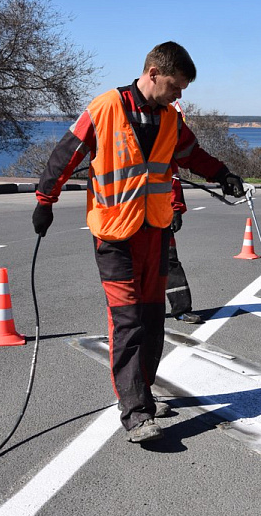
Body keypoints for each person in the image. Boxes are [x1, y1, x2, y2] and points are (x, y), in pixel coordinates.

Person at [32, 41, 244, 443]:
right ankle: (135, 414)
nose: (179, 95)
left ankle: (142, 392)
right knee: (127, 322)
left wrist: (223, 174)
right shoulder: (104, 109)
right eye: (175, 86)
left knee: (151, 321)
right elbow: (65, 156)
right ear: (152, 73)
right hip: (115, 235)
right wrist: (45, 200)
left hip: (155, 231)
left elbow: (191, 154)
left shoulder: (170, 119)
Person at [167, 166, 202, 324]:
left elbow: (173, 180)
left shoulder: (162, 146)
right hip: (125, 219)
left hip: (158, 218)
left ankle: (181, 310)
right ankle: (134, 314)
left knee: (170, 263)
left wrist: (176, 209)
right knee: (131, 268)